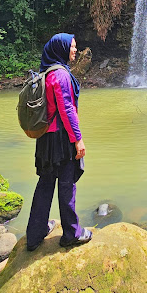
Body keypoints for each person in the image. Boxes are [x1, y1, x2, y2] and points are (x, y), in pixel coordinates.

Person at [26, 33, 92, 251]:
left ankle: (35, 235)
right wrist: (78, 140)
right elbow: (67, 110)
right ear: (61, 49)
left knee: (44, 185)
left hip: (46, 139)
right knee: (66, 185)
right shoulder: (62, 75)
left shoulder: (47, 72)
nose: (76, 50)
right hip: (62, 140)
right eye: (72, 46)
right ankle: (71, 233)